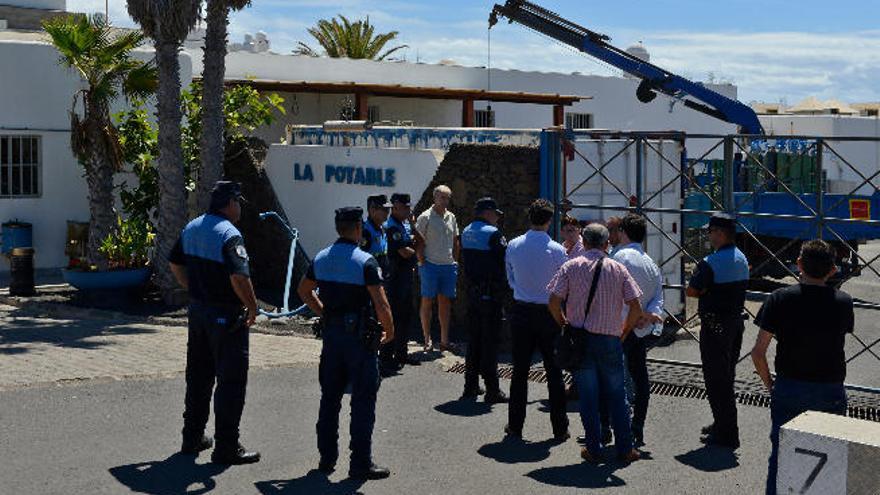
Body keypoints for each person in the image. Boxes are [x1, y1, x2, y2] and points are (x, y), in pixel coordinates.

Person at [297, 206, 396, 480]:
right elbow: (380, 302)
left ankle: (326, 459)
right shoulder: (365, 261)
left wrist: (324, 312)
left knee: (329, 398)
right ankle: (360, 463)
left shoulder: (322, 257)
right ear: (358, 229)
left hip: (332, 337)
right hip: (359, 340)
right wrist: (389, 331)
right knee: (363, 400)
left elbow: (303, 291)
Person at [169, 180, 261, 465]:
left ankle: (192, 437)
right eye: (238, 203)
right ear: (230, 203)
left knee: (198, 377)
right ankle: (227, 447)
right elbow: (239, 277)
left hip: (198, 312)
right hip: (226, 317)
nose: (240, 209)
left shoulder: (193, 226)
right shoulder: (229, 233)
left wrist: (194, 289)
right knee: (231, 382)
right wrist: (252, 306)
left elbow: (175, 263)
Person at [751, 240, 853, 495]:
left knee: (782, 457)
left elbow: (758, 353)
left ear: (798, 265)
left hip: (789, 386)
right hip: (830, 389)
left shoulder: (779, 299)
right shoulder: (843, 302)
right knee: (828, 458)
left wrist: (770, 384)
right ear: (832, 270)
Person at [548, 223, 643, 464]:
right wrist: (624, 331)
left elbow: (552, 301)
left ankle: (594, 447)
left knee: (588, 398)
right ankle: (626, 448)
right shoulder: (618, 269)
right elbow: (635, 307)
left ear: (585, 241)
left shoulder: (570, 266)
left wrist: (564, 323)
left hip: (580, 339)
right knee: (617, 395)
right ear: (606, 243)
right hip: (610, 339)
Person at [504, 199, 569, 440]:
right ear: (549, 220)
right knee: (554, 372)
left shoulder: (513, 245)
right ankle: (560, 428)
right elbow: (564, 284)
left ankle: (515, 426)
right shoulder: (557, 250)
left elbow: (510, 277)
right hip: (548, 312)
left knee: (519, 372)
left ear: (529, 217)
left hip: (521, 310)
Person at [686, 212, 749, 449]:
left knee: (715, 380)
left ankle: (727, 433)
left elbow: (692, 291)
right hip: (735, 323)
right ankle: (722, 423)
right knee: (727, 376)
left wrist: (706, 291)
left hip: (714, 325)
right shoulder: (741, 258)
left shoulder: (710, 262)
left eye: (711, 231)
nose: (708, 235)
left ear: (720, 233)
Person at [608, 213, 665, 446]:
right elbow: (658, 299)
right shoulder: (651, 263)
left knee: (613, 379)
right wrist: (646, 316)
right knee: (640, 379)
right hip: (640, 329)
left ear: (623, 232)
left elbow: (610, 292)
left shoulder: (617, 256)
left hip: (616, 327)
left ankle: (611, 428)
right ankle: (637, 427)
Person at [460, 197, 509, 403]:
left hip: (472, 292)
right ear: (487, 212)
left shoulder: (466, 231)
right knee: (490, 342)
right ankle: (492, 390)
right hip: (491, 294)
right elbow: (504, 262)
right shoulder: (493, 234)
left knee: (474, 340)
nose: (497, 218)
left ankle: (470, 386)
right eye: (495, 214)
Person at [415, 185, 460, 352]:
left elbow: (456, 240)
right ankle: (427, 339)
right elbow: (418, 241)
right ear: (434, 198)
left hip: (448, 266)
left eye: (447, 198)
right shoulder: (425, 217)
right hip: (430, 265)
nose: (445, 201)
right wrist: (421, 261)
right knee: (427, 301)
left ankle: (444, 340)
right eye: (442, 197)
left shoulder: (452, 217)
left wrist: (455, 261)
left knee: (445, 302)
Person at [380, 193, 421, 371]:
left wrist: (413, 225)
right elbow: (405, 252)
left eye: (408, 207)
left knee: (405, 318)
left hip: (406, 279)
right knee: (394, 319)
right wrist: (415, 249)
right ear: (395, 206)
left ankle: (402, 354)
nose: (408, 210)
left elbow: (420, 243)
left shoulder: (404, 225)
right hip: (395, 281)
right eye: (405, 207)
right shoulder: (391, 227)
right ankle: (387, 357)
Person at [361, 194, 392, 280]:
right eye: (385, 209)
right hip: (370, 280)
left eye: (388, 209)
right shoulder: (365, 231)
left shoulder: (383, 227)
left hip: (382, 278)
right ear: (372, 210)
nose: (388, 212)